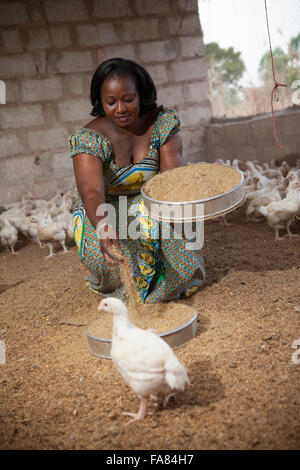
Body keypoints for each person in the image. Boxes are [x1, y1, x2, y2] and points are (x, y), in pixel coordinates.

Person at [69, 58, 205, 303]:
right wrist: (103, 225)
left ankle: (164, 286)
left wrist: (161, 223)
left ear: (141, 95)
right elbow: (91, 192)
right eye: (111, 102)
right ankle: (123, 289)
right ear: (100, 102)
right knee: (104, 253)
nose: (120, 108)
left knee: (172, 236)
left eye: (128, 99)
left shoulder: (161, 124)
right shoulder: (89, 138)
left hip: (154, 199)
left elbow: (170, 182)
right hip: (104, 206)